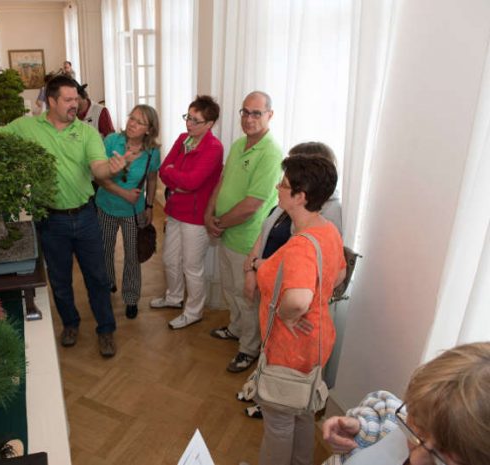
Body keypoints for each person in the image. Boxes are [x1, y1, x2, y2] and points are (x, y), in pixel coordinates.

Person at [0, 75, 126, 358]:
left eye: (77, 99)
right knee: (59, 279)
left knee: (97, 277)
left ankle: (106, 329)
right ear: (51, 100)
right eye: (69, 100)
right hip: (50, 220)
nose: (77, 105)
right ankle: (70, 324)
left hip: (86, 217)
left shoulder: (86, 133)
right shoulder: (26, 127)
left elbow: (97, 168)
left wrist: (110, 169)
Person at [253, 153, 346, 465]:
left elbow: (297, 299)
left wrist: (284, 314)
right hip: (317, 341)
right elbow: (340, 275)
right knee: (303, 412)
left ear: (299, 196)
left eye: (283, 184)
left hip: (290, 349)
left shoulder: (302, 244)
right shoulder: (327, 230)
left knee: (279, 424)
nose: (278, 189)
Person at [204, 91, 283, 373]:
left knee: (247, 297)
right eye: (245, 112)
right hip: (227, 233)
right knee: (230, 288)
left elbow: (252, 205)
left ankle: (249, 348)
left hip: (248, 240)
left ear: (269, 116)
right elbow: (222, 181)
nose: (249, 119)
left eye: (256, 113)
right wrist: (209, 214)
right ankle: (236, 329)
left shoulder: (272, 153)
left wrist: (219, 222)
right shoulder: (239, 145)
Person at [321, 342, 490, 465]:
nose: (415, 459)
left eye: (440, 460)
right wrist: (363, 429)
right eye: (418, 433)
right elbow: (392, 425)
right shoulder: (408, 423)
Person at [150, 95, 224, 329]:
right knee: (170, 259)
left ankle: (194, 311)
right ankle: (174, 298)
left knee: (192, 267)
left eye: (196, 120)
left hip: (195, 216)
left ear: (210, 124)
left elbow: (193, 182)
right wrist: (176, 180)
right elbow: (163, 169)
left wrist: (177, 179)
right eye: (188, 117)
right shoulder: (183, 139)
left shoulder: (214, 147)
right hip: (175, 209)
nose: (189, 124)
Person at [95, 105, 161, 319]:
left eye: (139, 121)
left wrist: (150, 204)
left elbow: (152, 179)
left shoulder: (152, 152)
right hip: (106, 206)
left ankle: (131, 298)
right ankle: (107, 285)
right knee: (104, 250)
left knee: (133, 255)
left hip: (135, 212)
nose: (132, 123)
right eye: (131, 118)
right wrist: (123, 193)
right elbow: (99, 177)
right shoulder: (112, 141)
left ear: (149, 129)